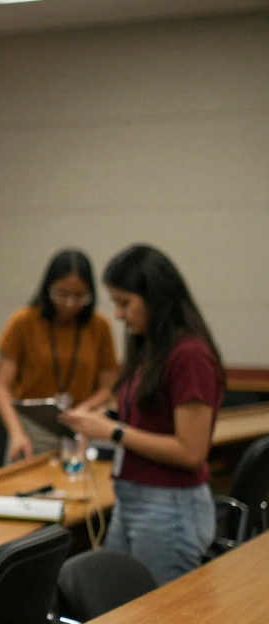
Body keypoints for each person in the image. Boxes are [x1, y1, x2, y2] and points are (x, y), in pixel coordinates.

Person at [60, 244, 223, 585]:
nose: (118, 315)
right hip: (132, 499)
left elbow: (191, 451)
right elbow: (148, 417)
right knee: (121, 605)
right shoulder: (150, 348)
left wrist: (114, 431)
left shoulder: (189, 355)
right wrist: (96, 419)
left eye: (124, 303)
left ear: (156, 297)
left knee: (160, 614)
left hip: (169, 507)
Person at [0, 249, 119, 461]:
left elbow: (107, 387)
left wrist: (85, 409)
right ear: (47, 289)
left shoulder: (99, 326)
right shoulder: (24, 321)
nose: (70, 303)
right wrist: (17, 433)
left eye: (79, 295)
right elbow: (2, 386)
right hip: (31, 428)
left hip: (80, 428)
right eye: (62, 294)